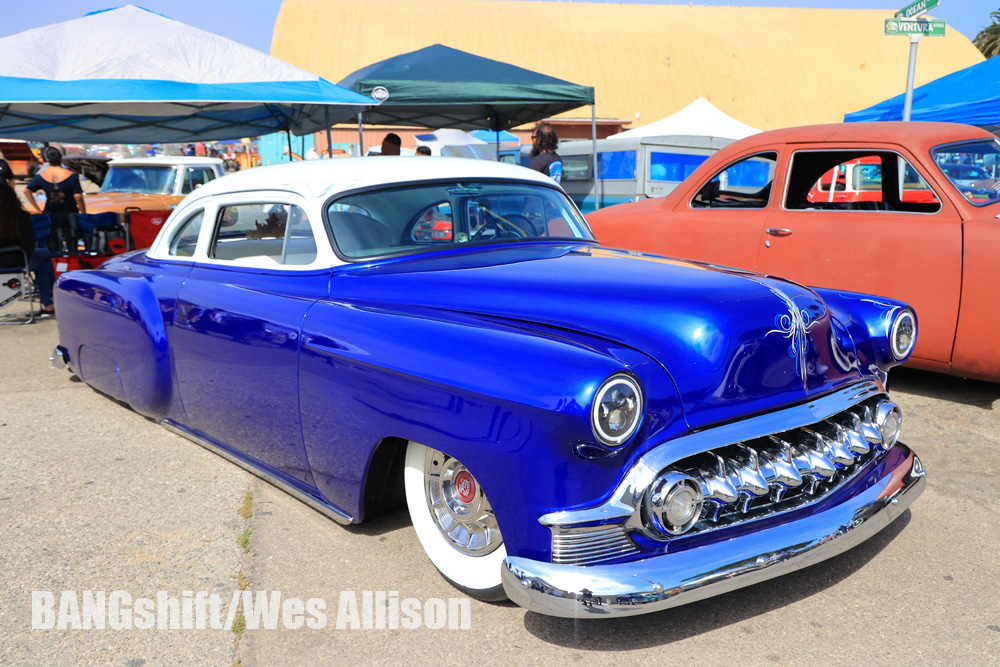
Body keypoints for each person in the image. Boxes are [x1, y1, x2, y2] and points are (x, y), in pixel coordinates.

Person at [0, 182, 55, 316]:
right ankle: (48, 299)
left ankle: (49, 299)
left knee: (43, 261)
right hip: (18, 260)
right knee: (44, 258)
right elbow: (29, 246)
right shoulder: (22, 217)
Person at [23, 147, 86, 252]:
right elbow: (78, 196)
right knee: (71, 239)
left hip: (50, 212)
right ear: (60, 158)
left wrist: (37, 209)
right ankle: (72, 259)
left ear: (47, 159)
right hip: (68, 212)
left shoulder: (41, 176)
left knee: (52, 241)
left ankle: (55, 261)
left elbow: (27, 191)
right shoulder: (71, 175)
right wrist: (83, 213)